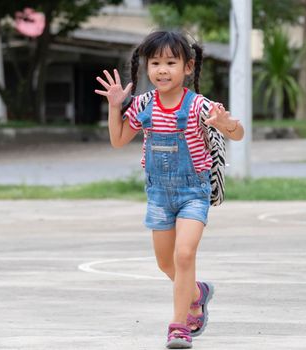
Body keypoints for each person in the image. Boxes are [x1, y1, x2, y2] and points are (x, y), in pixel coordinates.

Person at [94, 30, 244, 349]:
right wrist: (114, 106)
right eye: (156, 62)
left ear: (188, 67)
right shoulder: (145, 104)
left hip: (193, 193)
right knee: (166, 264)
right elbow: (118, 140)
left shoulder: (200, 106)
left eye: (171, 62)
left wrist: (226, 124)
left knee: (184, 254)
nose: (162, 70)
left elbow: (239, 134)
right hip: (159, 195)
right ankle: (197, 293)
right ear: (147, 67)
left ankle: (179, 327)